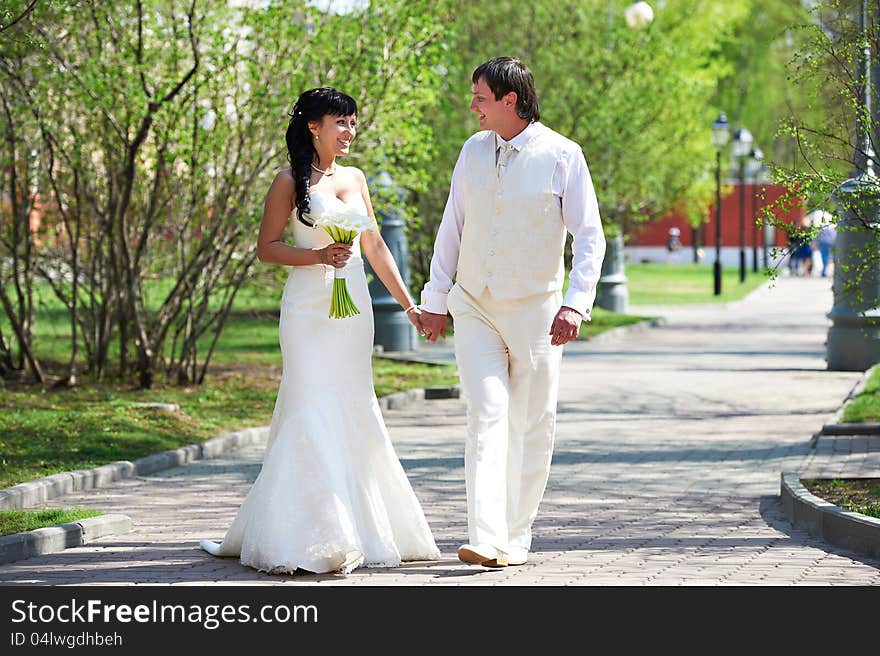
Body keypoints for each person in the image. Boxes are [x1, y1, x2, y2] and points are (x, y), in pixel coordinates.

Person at [200, 87, 440, 575]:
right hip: (307, 309)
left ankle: (363, 528)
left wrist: (409, 306)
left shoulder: (355, 177)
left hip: (351, 312)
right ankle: (309, 535)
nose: (350, 131)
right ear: (314, 126)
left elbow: (374, 247)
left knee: (353, 406)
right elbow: (267, 247)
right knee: (308, 405)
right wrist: (314, 257)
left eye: (354, 122)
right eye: (341, 122)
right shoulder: (287, 181)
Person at [418, 57, 606, 568]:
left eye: (480, 96)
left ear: (510, 101)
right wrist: (436, 301)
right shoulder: (472, 151)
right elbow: (451, 228)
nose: (472, 105)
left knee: (531, 423)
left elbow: (589, 236)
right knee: (485, 413)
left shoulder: (563, 154)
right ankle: (484, 535)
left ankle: (515, 537)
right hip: (475, 304)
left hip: (537, 313)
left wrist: (576, 303)